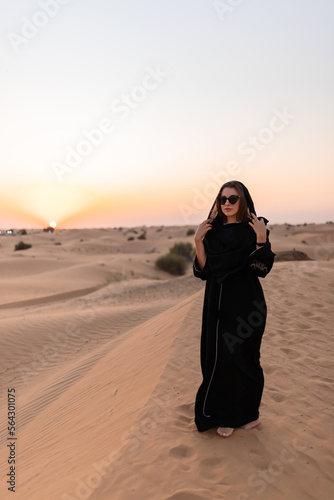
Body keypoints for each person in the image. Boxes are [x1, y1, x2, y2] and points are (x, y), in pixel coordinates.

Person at [193, 180, 276, 437]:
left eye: (233, 199)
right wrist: (198, 240)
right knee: (220, 359)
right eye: (222, 199)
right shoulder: (213, 232)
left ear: (243, 201)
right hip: (217, 305)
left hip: (247, 305)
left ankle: (248, 414)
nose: (227, 203)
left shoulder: (255, 229)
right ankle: (224, 415)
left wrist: (261, 240)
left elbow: (260, 269)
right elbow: (204, 271)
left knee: (246, 359)